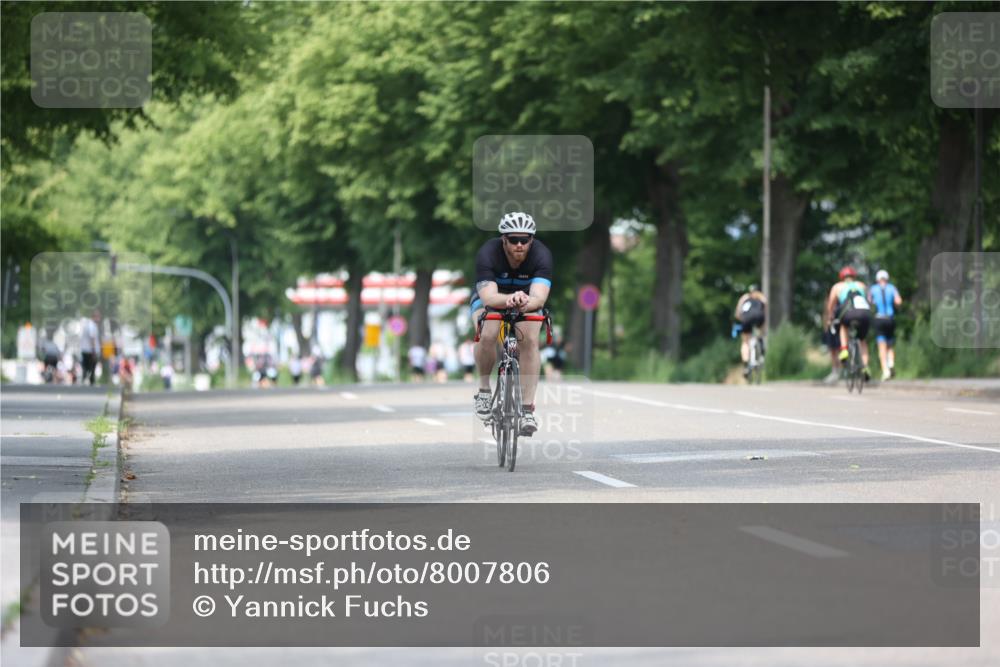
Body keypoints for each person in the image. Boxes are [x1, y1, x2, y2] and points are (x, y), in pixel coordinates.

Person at [471, 212, 552, 436]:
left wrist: (524, 301)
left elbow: (540, 297)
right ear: (503, 239)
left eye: (524, 240)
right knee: (487, 331)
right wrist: (508, 300)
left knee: (531, 340)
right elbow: (488, 298)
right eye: (513, 239)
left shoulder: (541, 255)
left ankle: (527, 409)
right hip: (491, 298)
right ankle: (484, 390)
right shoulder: (488, 253)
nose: (519, 244)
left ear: (531, 240)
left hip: (526, 300)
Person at [824, 266, 872, 380]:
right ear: (854, 276)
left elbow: (831, 305)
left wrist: (830, 317)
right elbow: (869, 301)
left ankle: (844, 349)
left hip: (848, 312)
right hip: (864, 313)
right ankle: (865, 366)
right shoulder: (861, 285)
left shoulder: (837, 286)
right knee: (862, 341)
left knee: (843, 327)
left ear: (842, 277)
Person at [869, 269, 903, 381]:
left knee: (881, 346)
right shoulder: (892, 288)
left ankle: (885, 370)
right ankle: (891, 362)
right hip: (890, 319)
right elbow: (898, 301)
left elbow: (869, 301)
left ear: (878, 279)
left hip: (879, 319)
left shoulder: (873, 289)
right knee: (890, 345)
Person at [733, 284, 767, 379]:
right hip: (759, 316)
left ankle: (745, 365)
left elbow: (737, 314)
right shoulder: (761, 297)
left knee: (745, 342)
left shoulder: (744, 298)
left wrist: (742, 319)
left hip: (746, 318)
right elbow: (765, 309)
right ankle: (761, 346)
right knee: (761, 331)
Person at [79, 311, 101, 386]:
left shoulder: (87, 325)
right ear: (94, 317)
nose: (99, 319)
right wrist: (94, 351)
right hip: (89, 350)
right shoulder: (92, 325)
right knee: (91, 366)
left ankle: (86, 379)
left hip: (85, 349)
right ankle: (90, 380)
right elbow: (92, 338)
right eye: (97, 317)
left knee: (86, 366)